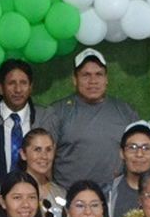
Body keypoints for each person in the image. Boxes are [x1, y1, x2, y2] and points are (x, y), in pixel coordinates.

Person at [37, 49, 139, 190]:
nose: (93, 81)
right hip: (68, 198)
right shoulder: (57, 112)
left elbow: (139, 156)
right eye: (86, 75)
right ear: (74, 79)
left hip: (113, 199)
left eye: (99, 74)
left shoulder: (125, 111)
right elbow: (42, 159)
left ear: (106, 79)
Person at [0, 58, 37, 184]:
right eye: (11, 83)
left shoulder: (45, 117)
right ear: (0, 88)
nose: (18, 89)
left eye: (23, 83)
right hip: (0, 196)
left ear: (31, 87)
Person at [20, 128, 68, 217]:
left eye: (48, 150)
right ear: (23, 154)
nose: (44, 156)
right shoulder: (10, 189)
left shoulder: (60, 193)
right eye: (37, 150)